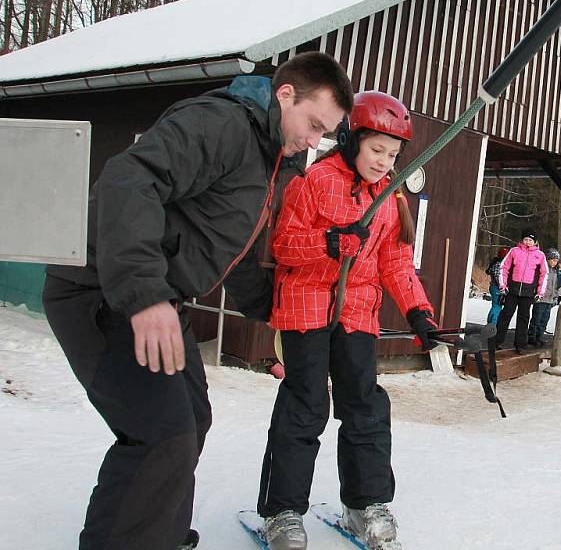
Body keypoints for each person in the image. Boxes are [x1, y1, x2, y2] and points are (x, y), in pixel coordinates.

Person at [41, 51, 353, 550]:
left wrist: (285, 316)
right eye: (314, 124)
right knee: (161, 431)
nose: (315, 141)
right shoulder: (221, 123)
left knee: (191, 417)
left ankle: (158, 535)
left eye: (326, 134)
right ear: (285, 94)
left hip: (160, 296)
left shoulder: (275, 162)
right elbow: (129, 180)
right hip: (101, 288)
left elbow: (244, 256)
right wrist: (145, 296)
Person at [256, 91, 437, 550]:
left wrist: (419, 311)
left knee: (365, 405)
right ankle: (282, 512)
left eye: (392, 154)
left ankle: (365, 504)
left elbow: (395, 262)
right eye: (376, 150)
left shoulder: (391, 195)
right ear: (351, 139)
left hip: (358, 311)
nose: (383, 161)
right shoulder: (312, 181)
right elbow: (283, 247)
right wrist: (329, 244)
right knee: (305, 405)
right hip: (306, 306)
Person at [491, 232, 548, 353]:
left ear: (535, 242)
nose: (527, 242)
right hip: (512, 289)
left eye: (530, 240)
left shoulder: (540, 255)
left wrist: (540, 292)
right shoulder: (514, 251)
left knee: (523, 318)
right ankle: (496, 341)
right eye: (525, 239)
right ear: (522, 240)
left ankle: (520, 345)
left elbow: (544, 274)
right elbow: (504, 267)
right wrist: (503, 285)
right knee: (505, 315)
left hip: (528, 292)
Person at [527, 248, 560, 346]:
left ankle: (539, 336)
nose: (555, 263)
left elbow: (555, 286)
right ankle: (532, 336)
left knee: (544, 319)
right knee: (536, 318)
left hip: (549, 300)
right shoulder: (542, 269)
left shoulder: (554, 272)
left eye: (556, 261)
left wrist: (555, 296)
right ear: (548, 259)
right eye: (553, 260)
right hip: (541, 299)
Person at [485, 247, 509, 324]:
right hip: (497, 288)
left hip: (495, 288)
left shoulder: (496, 263)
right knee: (497, 306)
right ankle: (492, 324)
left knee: (496, 306)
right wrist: (504, 287)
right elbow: (499, 278)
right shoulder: (499, 264)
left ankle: (492, 322)